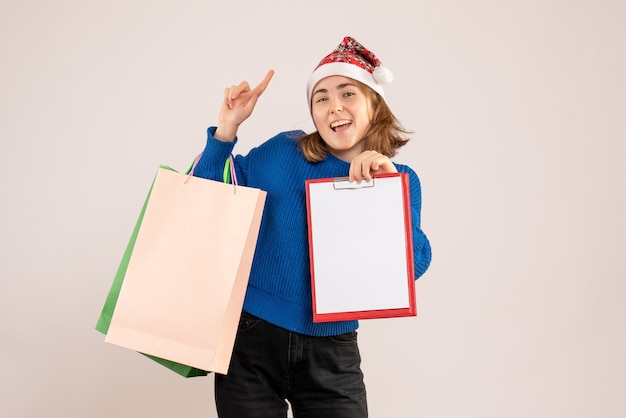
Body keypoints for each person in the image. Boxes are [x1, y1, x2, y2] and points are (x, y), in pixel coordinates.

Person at [193, 36, 432, 418]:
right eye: (321, 98)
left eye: (348, 93)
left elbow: (411, 268)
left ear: (374, 104)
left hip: (332, 349)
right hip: (252, 338)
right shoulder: (282, 151)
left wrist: (386, 192)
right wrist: (226, 129)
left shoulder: (400, 177)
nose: (334, 106)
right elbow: (208, 196)